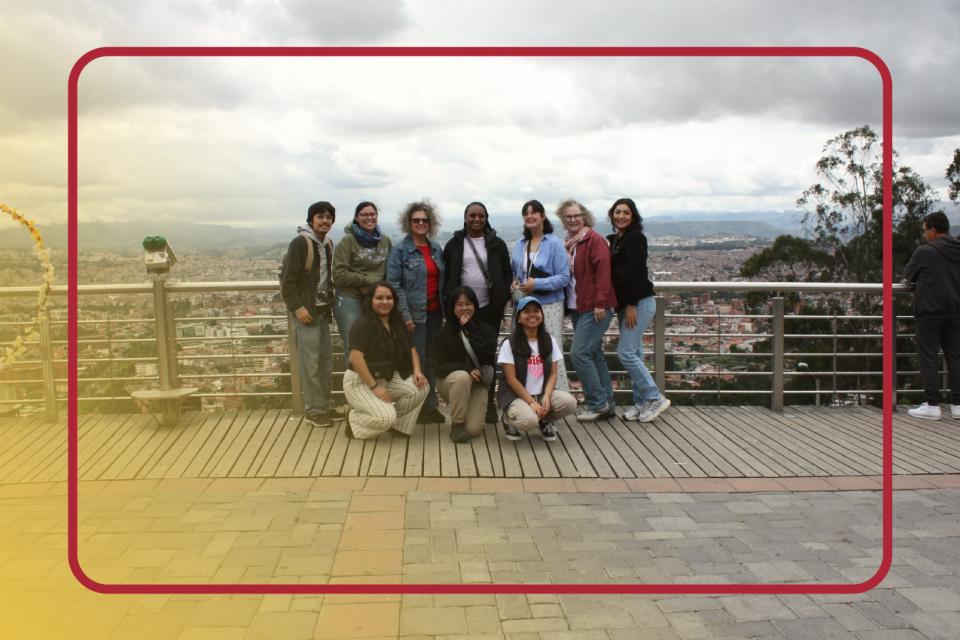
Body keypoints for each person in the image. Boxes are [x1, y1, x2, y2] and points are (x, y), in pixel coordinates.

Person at [442, 201, 512, 423]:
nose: (476, 219)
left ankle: (488, 402)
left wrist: (501, 299)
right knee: (462, 352)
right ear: (465, 217)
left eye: (481, 216)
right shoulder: (454, 244)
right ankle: (466, 401)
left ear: (486, 218)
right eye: (472, 215)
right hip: (462, 308)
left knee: (487, 356)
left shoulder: (497, 244)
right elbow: (449, 276)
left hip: (489, 309)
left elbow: (506, 273)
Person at [608, 198, 671, 422]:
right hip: (627, 304)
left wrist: (632, 305)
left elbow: (637, 273)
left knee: (624, 352)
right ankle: (641, 402)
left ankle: (655, 397)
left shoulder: (636, 238)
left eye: (626, 212)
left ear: (633, 216)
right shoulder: (615, 239)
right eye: (617, 212)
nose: (621, 216)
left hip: (640, 302)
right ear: (612, 215)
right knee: (634, 353)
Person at [343, 281, 429, 439]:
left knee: (421, 387)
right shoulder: (362, 324)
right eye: (379, 298)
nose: (385, 302)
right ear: (370, 300)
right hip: (360, 381)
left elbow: (411, 349)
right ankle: (353, 420)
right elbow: (355, 358)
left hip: (386, 377)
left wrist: (417, 371)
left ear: (394, 301)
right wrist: (374, 387)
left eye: (389, 298)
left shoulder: (397, 322)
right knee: (384, 418)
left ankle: (398, 426)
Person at [386, 200, 446, 424]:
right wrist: (405, 315)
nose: (421, 223)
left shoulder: (436, 248)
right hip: (414, 316)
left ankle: (429, 406)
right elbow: (393, 284)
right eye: (416, 220)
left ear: (431, 223)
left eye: (424, 220)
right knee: (416, 360)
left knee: (431, 359)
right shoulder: (400, 251)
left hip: (435, 314)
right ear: (408, 223)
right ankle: (415, 408)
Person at [559, 199, 618, 421]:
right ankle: (608, 404)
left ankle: (597, 403)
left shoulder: (594, 240)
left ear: (584, 217)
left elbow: (604, 272)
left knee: (579, 353)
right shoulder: (569, 242)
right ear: (563, 220)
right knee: (593, 354)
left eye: (576, 215)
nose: (572, 220)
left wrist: (600, 303)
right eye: (568, 216)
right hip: (578, 306)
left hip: (595, 306)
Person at [280, 201, 337, 428]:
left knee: (324, 362)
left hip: (322, 311)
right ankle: (314, 410)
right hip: (307, 312)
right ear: (311, 219)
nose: (325, 221)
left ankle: (324, 405)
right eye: (320, 217)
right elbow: (287, 282)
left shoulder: (327, 244)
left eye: (329, 217)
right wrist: (298, 308)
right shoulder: (301, 243)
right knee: (310, 364)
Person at [510, 199, 571, 390]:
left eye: (533, 212)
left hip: (549, 305)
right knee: (525, 351)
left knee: (550, 350)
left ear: (543, 216)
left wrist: (537, 283)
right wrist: (514, 284)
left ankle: (556, 400)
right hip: (524, 305)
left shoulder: (554, 243)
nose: (529, 216)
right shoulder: (520, 244)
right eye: (526, 213)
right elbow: (516, 273)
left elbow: (564, 277)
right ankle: (528, 397)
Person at [904, 211, 960, 420]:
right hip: (956, 310)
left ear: (934, 229)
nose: (925, 234)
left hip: (929, 311)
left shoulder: (924, 252)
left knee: (928, 357)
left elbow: (908, 275)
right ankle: (958, 405)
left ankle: (932, 404)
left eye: (926, 230)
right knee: (955, 357)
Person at [497, 296, 576, 441]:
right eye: (526, 311)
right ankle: (508, 419)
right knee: (529, 420)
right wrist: (531, 402)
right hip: (516, 395)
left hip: (540, 393)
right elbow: (511, 379)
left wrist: (546, 396)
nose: (532, 314)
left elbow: (553, 374)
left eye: (536, 311)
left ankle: (544, 420)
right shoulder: (509, 344)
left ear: (542, 316)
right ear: (519, 318)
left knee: (569, 403)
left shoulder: (549, 340)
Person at [431, 286, 499, 442]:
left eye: (468, 303)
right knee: (462, 377)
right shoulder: (443, 334)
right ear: (452, 307)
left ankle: (464, 418)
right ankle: (457, 426)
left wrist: (470, 327)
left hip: (478, 385)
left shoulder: (486, 330)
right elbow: (438, 367)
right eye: (459, 304)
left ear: (475, 305)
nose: (464, 308)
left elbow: (487, 355)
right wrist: (465, 369)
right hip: (450, 384)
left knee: (473, 429)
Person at [332, 201, 393, 362]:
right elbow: (338, 274)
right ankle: (354, 386)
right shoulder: (348, 241)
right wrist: (369, 281)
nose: (369, 217)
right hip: (350, 299)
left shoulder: (385, 241)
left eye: (372, 214)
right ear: (356, 218)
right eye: (364, 214)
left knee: (376, 345)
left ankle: (373, 385)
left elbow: (391, 270)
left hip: (376, 300)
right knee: (354, 347)